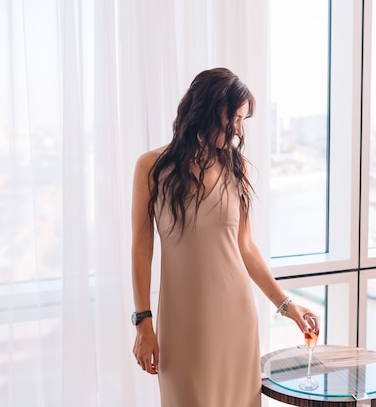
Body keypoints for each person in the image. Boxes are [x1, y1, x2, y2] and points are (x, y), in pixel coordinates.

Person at [131, 67, 315, 407]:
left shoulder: (236, 168)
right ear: (210, 108)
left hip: (236, 320)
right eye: (236, 119)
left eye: (244, 121)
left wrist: (287, 306)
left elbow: (244, 247)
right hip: (183, 326)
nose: (239, 131)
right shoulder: (151, 167)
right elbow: (142, 250)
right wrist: (143, 324)